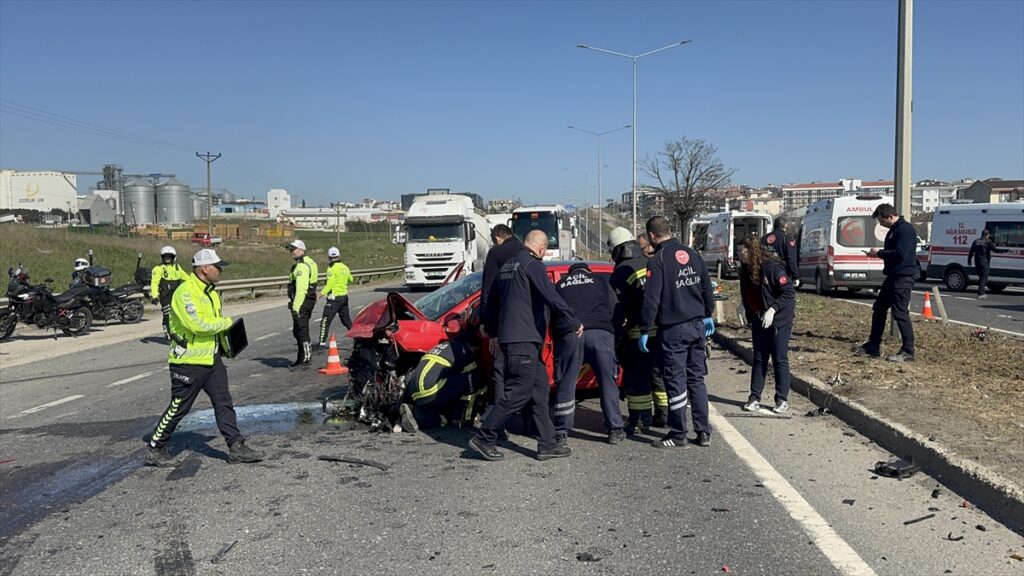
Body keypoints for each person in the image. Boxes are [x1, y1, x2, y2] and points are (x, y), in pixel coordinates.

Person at [470, 229, 582, 461]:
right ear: (541, 248)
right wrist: (572, 320)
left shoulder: (508, 267)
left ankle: (548, 444)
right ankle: (485, 436)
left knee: (539, 391)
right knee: (518, 393)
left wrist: (492, 331)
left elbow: (491, 301)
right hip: (524, 340)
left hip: (513, 339)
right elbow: (551, 296)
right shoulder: (532, 265)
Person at [144, 248, 262, 467]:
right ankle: (155, 447)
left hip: (212, 360)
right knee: (179, 407)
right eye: (218, 267)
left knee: (224, 402)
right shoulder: (185, 292)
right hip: (188, 362)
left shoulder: (210, 292)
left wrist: (226, 344)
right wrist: (226, 323)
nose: (220, 271)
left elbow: (212, 324)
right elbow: (197, 325)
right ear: (204, 268)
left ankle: (236, 446)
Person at [639, 216, 715, 448]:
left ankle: (678, 433)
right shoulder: (692, 254)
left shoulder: (658, 261)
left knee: (675, 380)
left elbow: (651, 299)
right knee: (696, 379)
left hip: (674, 329)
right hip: (697, 325)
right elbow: (705, 286)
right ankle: (703, 432)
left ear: (651, 236)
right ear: (669, 230)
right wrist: (708, 313)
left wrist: (644, 328)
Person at [552, 262, 624, 445]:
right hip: (600, 333)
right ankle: (614, 429)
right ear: (588, 271)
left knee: (567, 383)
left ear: (570, 274)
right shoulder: (599, 281)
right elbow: (616, 310)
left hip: (571, 334)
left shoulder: (560, 284)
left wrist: (559, 337)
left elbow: (552, 313)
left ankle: (562, 431)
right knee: (607, 382)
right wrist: (613, 334)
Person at [608, 227, 664, 433]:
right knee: (659, 375)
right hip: (661, 331)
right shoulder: (651, 263)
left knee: (638, 378)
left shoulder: (621, 272)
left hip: (637, 334)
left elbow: (617, 307)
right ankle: (663, 415)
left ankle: (640, 419)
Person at [737, 236, 796, 414]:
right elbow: (749, 291)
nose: (739, 255)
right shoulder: (745, 270)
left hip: (779, 319)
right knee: (760, 357)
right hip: (759, 316)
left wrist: (773, 310)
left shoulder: (772, 268)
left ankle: (781, 398)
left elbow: (788, 293)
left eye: (742, 252)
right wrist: (744, 305)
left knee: (779, 357)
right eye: (738, 252)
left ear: (752, 251)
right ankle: (754, 397)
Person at [856, 204, 917, 362]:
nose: (880, 224)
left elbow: (901, 253)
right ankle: (873, 345)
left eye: (881, 221)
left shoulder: (905, 230)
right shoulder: (894, 230)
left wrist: (879, 253)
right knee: (879, 308)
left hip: (903, 277)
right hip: (892, 276)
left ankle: (908, 351)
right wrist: (880, 254)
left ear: (889, 216)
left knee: (900, 313)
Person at [401, 321, 482, 431]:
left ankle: (414, 411)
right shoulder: (465, 352)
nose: (475, 354)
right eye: (475, 350)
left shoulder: (446, 346)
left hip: (414, 391)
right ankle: (460, 420)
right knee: (472, 381)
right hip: (429, 390)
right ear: (468, 345)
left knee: (440, 415)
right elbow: (472, 380)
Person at [480, 224, 522, 404]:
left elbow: (488, 291)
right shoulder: (525, 251)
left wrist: (487, 324)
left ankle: (499, 415)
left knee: (500, 369)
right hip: (527, 323)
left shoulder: (496, 254)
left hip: (503, 322)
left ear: (497, 238)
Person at [287, 239, 319, 367]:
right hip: (308, 300)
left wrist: (296, 307)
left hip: (302, 302)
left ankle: (305, 358)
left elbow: (301, 288)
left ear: (301, 250)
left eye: (293, 249)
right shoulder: (310, 262)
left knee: (301, 330)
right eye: (290, 249)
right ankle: (301, 357)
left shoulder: (301, 266)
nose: (291, 252)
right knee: (298, 329)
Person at [318, 246, 354, 346]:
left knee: (325, 321)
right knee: (346, 320)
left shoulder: (331, 268)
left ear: (329, 257)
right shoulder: (345, 267)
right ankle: (358, 339)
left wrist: (320, 294)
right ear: (339, 256)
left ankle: (321, 343)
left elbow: (329, 284)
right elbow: (351, 279)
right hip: (344, 298)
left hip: (334, 299)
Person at [150, 246, 188, 338]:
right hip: (166, 295)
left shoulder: (177, 267)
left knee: (180, 314)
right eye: (165, 256)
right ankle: (167, 331)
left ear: (174, 257)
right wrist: (154, 296)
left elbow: (187, 278)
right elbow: (154, 283)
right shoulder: (158, 269)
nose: (167, 258)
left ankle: (179, 331)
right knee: (167, 314)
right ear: (162, 257)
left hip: (177, 295)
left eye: (169, 256)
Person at [761, 215, 800, 288]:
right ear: (785, 225)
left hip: (765, 274)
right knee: (784, 297)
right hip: (782, 274)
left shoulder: (763, 239)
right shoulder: (787, 238)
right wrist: (795, 276)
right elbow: (791, 258)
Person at [968, 229, 1008, 299]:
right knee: (984, 278)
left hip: (977, 262)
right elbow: (996, 250)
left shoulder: (976, 241)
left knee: (981, 278)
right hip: (984, 262)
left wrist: (969, 261)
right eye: (988, 235)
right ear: (987, 235)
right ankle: (981, 294)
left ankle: (980, 292)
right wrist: (1006, 250)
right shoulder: (988, 242)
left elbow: (971, 252)